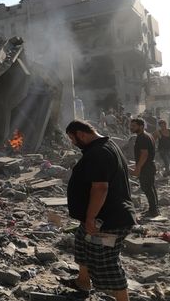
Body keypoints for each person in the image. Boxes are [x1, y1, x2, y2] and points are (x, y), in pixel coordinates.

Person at [64, 120, 137, 301]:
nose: (73, 143)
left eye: (73, 138)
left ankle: (122, 298)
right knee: (82, 241)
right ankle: (83, 281)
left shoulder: (99, 153)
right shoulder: (107, 145)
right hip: (102, 216)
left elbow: (100, 188)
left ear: (81, 134)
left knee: (106, 261)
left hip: (109, 220)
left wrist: (91, 218)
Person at [129, 118, 158, 217]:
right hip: (149, 166)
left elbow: (144, 154)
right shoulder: (148, 135)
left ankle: (153, 211)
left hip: (146, 168)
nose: (131, 127)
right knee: (151, 188)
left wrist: (138, 168)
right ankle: (154, 209)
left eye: (134, 126)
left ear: (141, 126)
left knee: (147, 188)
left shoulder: (142, 137)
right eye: (131, 125)